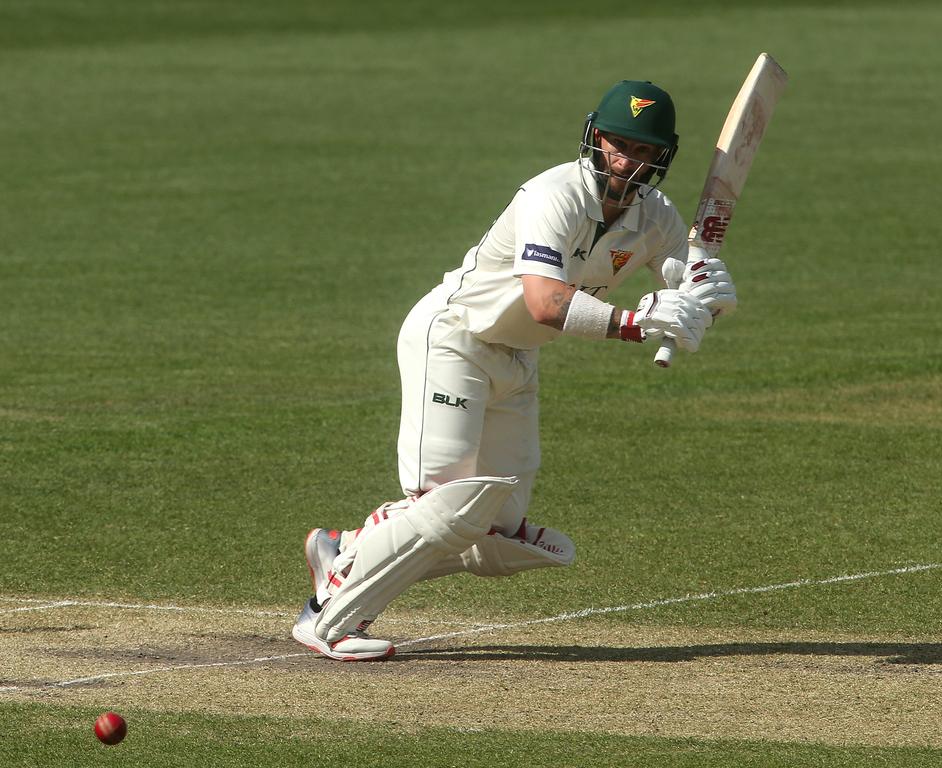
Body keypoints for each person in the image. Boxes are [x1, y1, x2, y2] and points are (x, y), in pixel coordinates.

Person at [290, 80, 737, 661]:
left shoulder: (657, 219)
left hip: (518, 357)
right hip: (455, 340)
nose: (627, 160)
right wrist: (638, 321)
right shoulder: (553, 195)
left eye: (643, 150)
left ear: (660, 157)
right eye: (617, 144)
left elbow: (683, 289)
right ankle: (328, 618)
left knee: (497, 529)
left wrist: (708, 298)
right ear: (596, 139)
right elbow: (546, 303)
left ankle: (343, 546)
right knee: (446, 502)